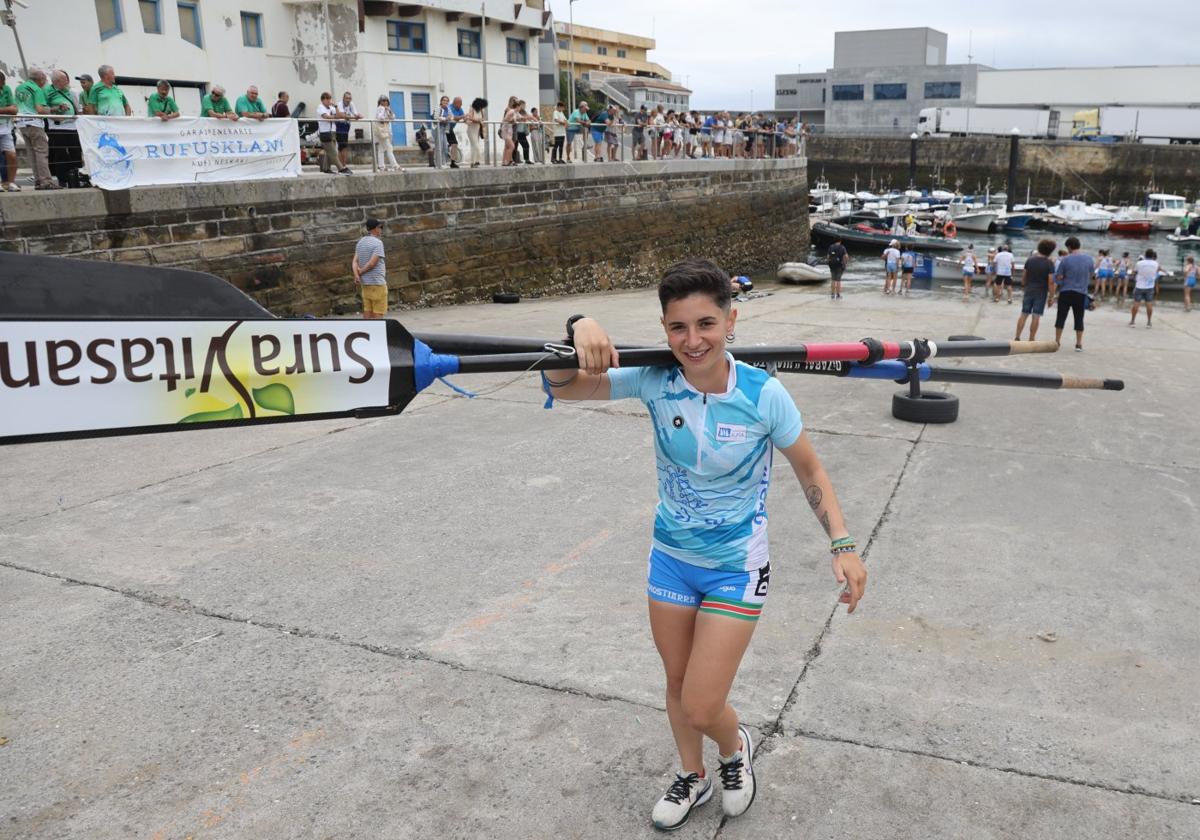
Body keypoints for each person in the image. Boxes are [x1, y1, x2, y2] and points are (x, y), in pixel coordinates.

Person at [543, 259, 866, 831]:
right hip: (670, 557)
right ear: (664, 329)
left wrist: (841, 542)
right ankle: (692, 776)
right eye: (677, 328)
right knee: (675, 682)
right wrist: (578, 326)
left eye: (706, 324)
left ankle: (732, 747)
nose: (692, 341)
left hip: (735, 567)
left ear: (731, 321)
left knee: (700, 702)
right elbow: (565, 388)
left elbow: (810, 468)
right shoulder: (653, 376)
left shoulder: (765, 395)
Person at [15, 69, 58, 191]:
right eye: (44, 80)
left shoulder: (19, 88)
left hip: (22, 123)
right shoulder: (37, 89)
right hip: (34, 123)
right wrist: (53, 109)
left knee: (32, 153)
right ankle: (46, 181)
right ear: (41, 80)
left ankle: (38, 181)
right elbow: (40, 109)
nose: (45, 83)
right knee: (41, 152)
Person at [1051, 236, 1093, 351]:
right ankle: (1078, 344)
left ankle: (1057, 342)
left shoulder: (1065, 259)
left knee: (1061, 317)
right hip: (1081, 292)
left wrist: (1060, 281)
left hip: (1066, 291)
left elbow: (1058, 277)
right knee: (1079, 317)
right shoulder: (1089, 259)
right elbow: (1091, 274)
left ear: (1069, 247)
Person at [45, 70, 84, 188]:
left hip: (72, 126)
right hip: (57, 127)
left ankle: (77, 178)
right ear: (56, 81)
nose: (67, 81)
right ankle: (62, 179)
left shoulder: (70, 91)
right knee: (60, 153)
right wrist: (57, 108)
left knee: (76, 152)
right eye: (64, 80)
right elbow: (44, 108)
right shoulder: (47, 91)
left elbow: (78, 108)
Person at [1015, 239, 1055, 341]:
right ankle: (1031, 338)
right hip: (1041, 291)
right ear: (1051, 251)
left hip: (1029, 289)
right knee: (1036, 316)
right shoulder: (1049, 263)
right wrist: (1051, 296)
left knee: (1024, 313)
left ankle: (1017, 337)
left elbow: (1024, 276)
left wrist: (1024, 284)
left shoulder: (1030, 260)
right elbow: (1050, 281)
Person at [352, 218, 388, 319]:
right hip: (377, 283)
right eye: (380, 227)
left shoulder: (360, 242)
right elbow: (372, 263)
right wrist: (361, 271)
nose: (381, 230)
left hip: (365, 283)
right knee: (378, 312)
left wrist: (357, 275)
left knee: (367, 310)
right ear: (376, 228)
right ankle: (377, 334)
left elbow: (354, 261)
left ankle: (366, 333)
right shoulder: (378, 243)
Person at [1129, 248, 1159, 328]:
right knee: (1149, 304)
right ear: (1153, 255)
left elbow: (1134, 272)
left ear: (1145, 254)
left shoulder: (1139, 263)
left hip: (1139, 285)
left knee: (1136, 303)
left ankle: (1132, 321)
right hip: (1150, 286)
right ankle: (1149, 322)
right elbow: (1155, 272)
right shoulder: (1156, 264)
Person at [316, 92, 344, 175]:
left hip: (332, 131)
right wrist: (335, 117)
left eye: (329, 98)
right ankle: (341, 168)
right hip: (324, 132)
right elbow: (326, 117)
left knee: (328, 152)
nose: (329, 100)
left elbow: (339, 115)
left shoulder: (331, 108)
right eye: (326, 99)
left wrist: (335, 106)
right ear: (322, 100)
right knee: (333, 152)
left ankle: (326, 168)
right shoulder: (320, 107)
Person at [373, 95, 400, 171]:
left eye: (386, 100)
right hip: (382, 131)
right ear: (380, 102)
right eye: (383, 101)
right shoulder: (381, 108)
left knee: (381, 149)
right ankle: (395, 166)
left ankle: (381, 166)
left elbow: (393, 117)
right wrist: (385, 111)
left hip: (384, 131)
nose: (385, 102)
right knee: (389, 148)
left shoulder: (387, 109)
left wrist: (389, 111)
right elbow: (380, 118)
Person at [336, 92, 361, 172]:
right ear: (343, 98)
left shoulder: (351, 104)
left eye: (350, 98)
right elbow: (343, 115)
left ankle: (342, 166)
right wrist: (354, 117)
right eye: (347, 98)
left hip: (346, 127)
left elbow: (355, 113)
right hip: (339, 127)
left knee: (343, 147)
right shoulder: (339, 104)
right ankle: (342, 166)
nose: (348, 100)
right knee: (342, 147)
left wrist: (358, 115)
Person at [0, 70, 14, 192]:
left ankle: (10, 183)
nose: (3, 86)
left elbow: (14, 109)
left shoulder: (7, 89)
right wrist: (7, 109)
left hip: (6, 128)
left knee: (11, 155)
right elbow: (10, 108)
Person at [466, 97, 486, 167]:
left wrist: (481, 121)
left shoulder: (481, 110)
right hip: (471, 129)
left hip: (477, 129)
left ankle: (473, 162)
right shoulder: (472, 108)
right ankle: (477, 161)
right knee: (476, 145)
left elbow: (482, 118)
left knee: (473, 146)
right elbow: (470, 118)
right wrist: (479, 120)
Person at [827, 235, 848, 300]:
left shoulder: (831, 247)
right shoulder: (842, 247)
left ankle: (832, 295)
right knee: (838, 280)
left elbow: (828, 257)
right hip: (839, 265)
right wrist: (845, 263)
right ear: (840, 241)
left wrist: (829, 263)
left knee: (833, 280)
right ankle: (838, 295)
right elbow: (846, 257)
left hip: (832, 265)